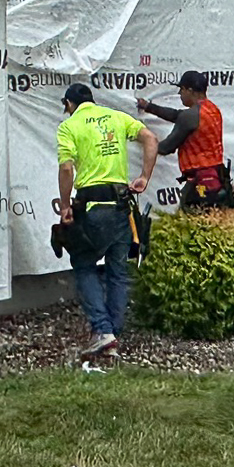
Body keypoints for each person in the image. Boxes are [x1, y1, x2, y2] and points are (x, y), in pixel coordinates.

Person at [56, 82, 158, 360]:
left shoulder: (70, 126)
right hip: (121, 206)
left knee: (84, 263)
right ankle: (113, 332)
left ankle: (104, 332)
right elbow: (150, 138)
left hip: (91, 206)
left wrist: (65, 205)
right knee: (118, 271)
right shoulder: (115, 116)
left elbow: (66, 168)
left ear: (68, 104)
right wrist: (145, 177)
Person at [136, 69, 234, 212]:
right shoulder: (212, 109)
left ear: (190, 90)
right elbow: (178, 115)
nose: (179, 94)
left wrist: (143, 140)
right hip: (217, 178)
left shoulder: (190, 116)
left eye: (181, 90)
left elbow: (166, 147)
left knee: (192, 221)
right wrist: (149, 107)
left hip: (200, 184)